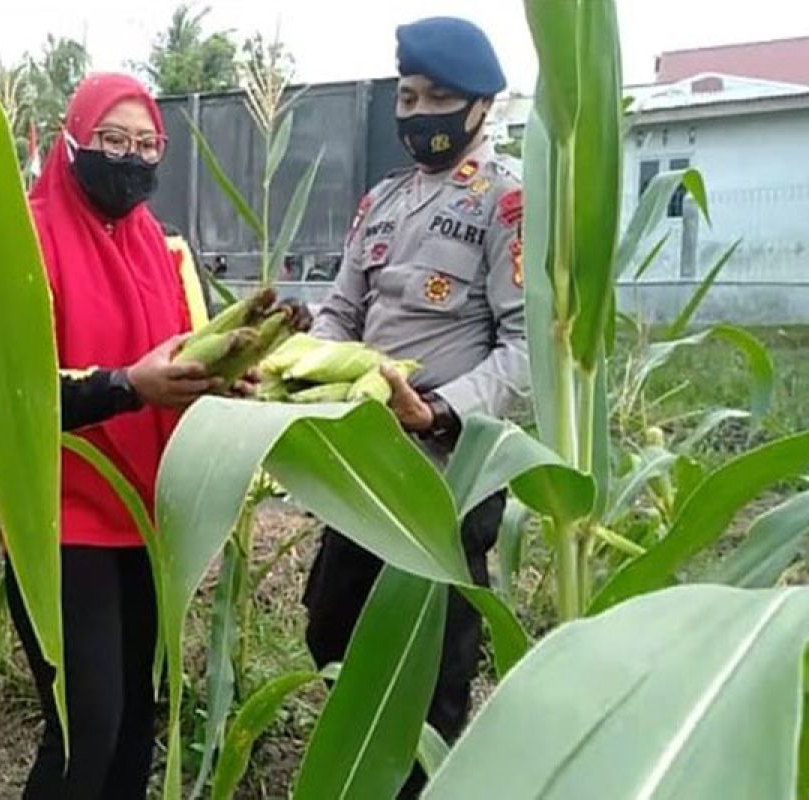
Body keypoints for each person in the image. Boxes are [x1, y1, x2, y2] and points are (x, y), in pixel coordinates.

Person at [301, 17, 529, 798]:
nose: (417, 111)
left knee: (431, 668)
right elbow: (341, 311)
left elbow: (528, 353)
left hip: (446, 475)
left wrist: (436, 412)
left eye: (437, 97)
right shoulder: (382, 202)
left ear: (479, 109)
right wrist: (308, 359)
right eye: (407, 96)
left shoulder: (507, 204)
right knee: (331, 629)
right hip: (363, 464)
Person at [3, 73, 223, 799]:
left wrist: (229, 374)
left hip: (145, 525)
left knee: (135, 728)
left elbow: (183, 356)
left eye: (145, 145)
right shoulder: (27, 241)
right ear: (71, 144)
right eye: (111, 141)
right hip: (64, 527)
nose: (130, 160)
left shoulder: (159, 251)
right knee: (85, 729)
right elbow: (15, 396)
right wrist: (128, 386)